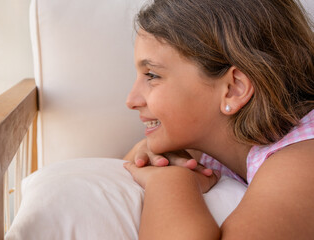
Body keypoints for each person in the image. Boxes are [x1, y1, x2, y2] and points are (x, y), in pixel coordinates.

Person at [122, 0, 314, 238]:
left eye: (152, 75)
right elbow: (121, 172)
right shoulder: (201, 150)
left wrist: (170, 181)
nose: (131, 100)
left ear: (233, 88)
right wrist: (151, 155)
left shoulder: (301, 163)